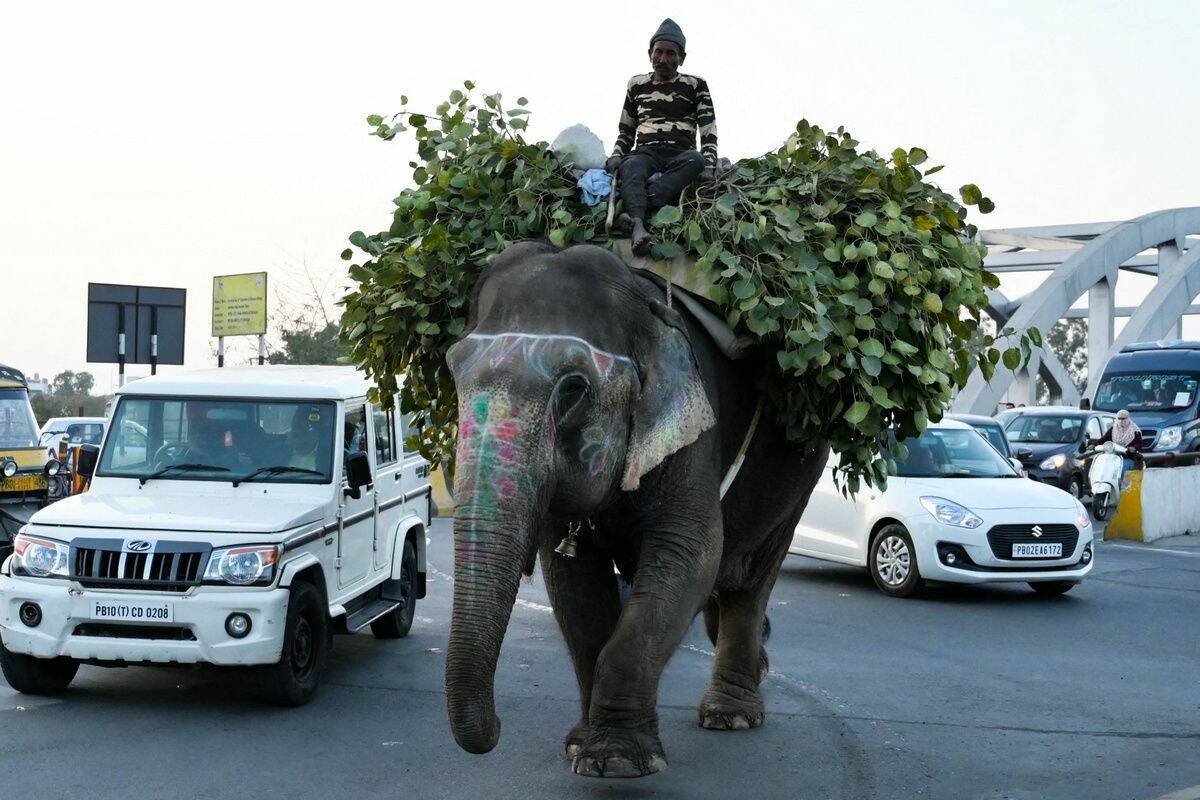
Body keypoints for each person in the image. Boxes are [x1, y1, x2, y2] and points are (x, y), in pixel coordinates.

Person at [605, 18, 719, 255]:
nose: (664, 59)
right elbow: (626, 130)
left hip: (680, 153)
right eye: (659, 52)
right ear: (650, 54)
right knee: (632, 165)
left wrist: (708, 164)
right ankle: (638, 224)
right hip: (646, 152)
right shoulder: (636, 85)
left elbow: (708, 130)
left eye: (671, 53)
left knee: (695, 161)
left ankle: (637, 209)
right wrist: (617, 155)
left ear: (682, 58)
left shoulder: (695, 85)